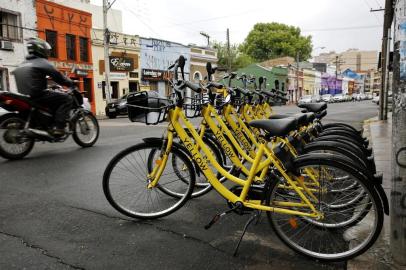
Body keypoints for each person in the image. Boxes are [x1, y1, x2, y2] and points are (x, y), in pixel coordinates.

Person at [12, 37, 74, 136]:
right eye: (46, 50)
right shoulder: (42, 62)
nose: (47, 52)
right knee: (67, 98)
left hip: (27, 96)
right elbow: (58, 76)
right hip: (39, 95)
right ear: (40, 49)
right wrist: (69, 82)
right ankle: (59, 127)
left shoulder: (23, 63)